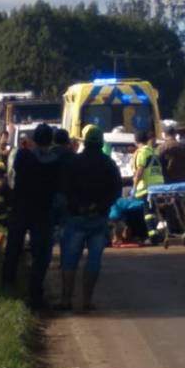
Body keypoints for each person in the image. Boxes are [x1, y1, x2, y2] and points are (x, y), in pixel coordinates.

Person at [58, 126, 122, 312]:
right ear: (101, 143)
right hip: (98, 219)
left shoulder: (73, 163)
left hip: (76, 217)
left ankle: (66, 300)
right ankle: (86, 301)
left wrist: (77, 206)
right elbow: (115, 190)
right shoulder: (108, 164)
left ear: (84, 142)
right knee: (93, 260)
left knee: (70, 259)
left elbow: (65, 189)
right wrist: (100, 206)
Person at [2, 123, 60, 311]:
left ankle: (8, 285)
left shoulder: (23, 156)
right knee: (41, 255)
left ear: (34, 139)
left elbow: (12, 175)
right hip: (42, 212)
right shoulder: (54, 162)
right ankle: (35, 293)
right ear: (50, 141)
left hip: (20, 209)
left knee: (13, 248)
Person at [132, 130, 164, 243]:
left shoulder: (141, 152)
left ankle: (153, 237)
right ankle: (159, 234)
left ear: (135, 141)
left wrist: (134, 188)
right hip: (159, 185)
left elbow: (139, 172)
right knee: (154, 212)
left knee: (148, 214)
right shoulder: (153, 151)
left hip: (146, 187)